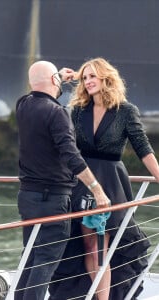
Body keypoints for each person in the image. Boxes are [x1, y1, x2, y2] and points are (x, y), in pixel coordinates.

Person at [49, 57, 159, 300]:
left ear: (106, 78)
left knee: (101, 249)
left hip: (110, 185)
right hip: (82, 183)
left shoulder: (126, 111)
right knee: (88, 246)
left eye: (92, 76)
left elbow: (143, 148)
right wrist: (58, 78)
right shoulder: (77, 110)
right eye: (84, 77)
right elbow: (51, 114)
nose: (88, 81)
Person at [14, 60, 111, 300]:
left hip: (27, 197)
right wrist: (97, 189)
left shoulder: (23, 105)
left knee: (31, 257)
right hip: (53, 199)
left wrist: (56, 76)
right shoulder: (57, 113)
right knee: (45, 261)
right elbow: (71, 156)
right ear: (55, 81)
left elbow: (39, 85)